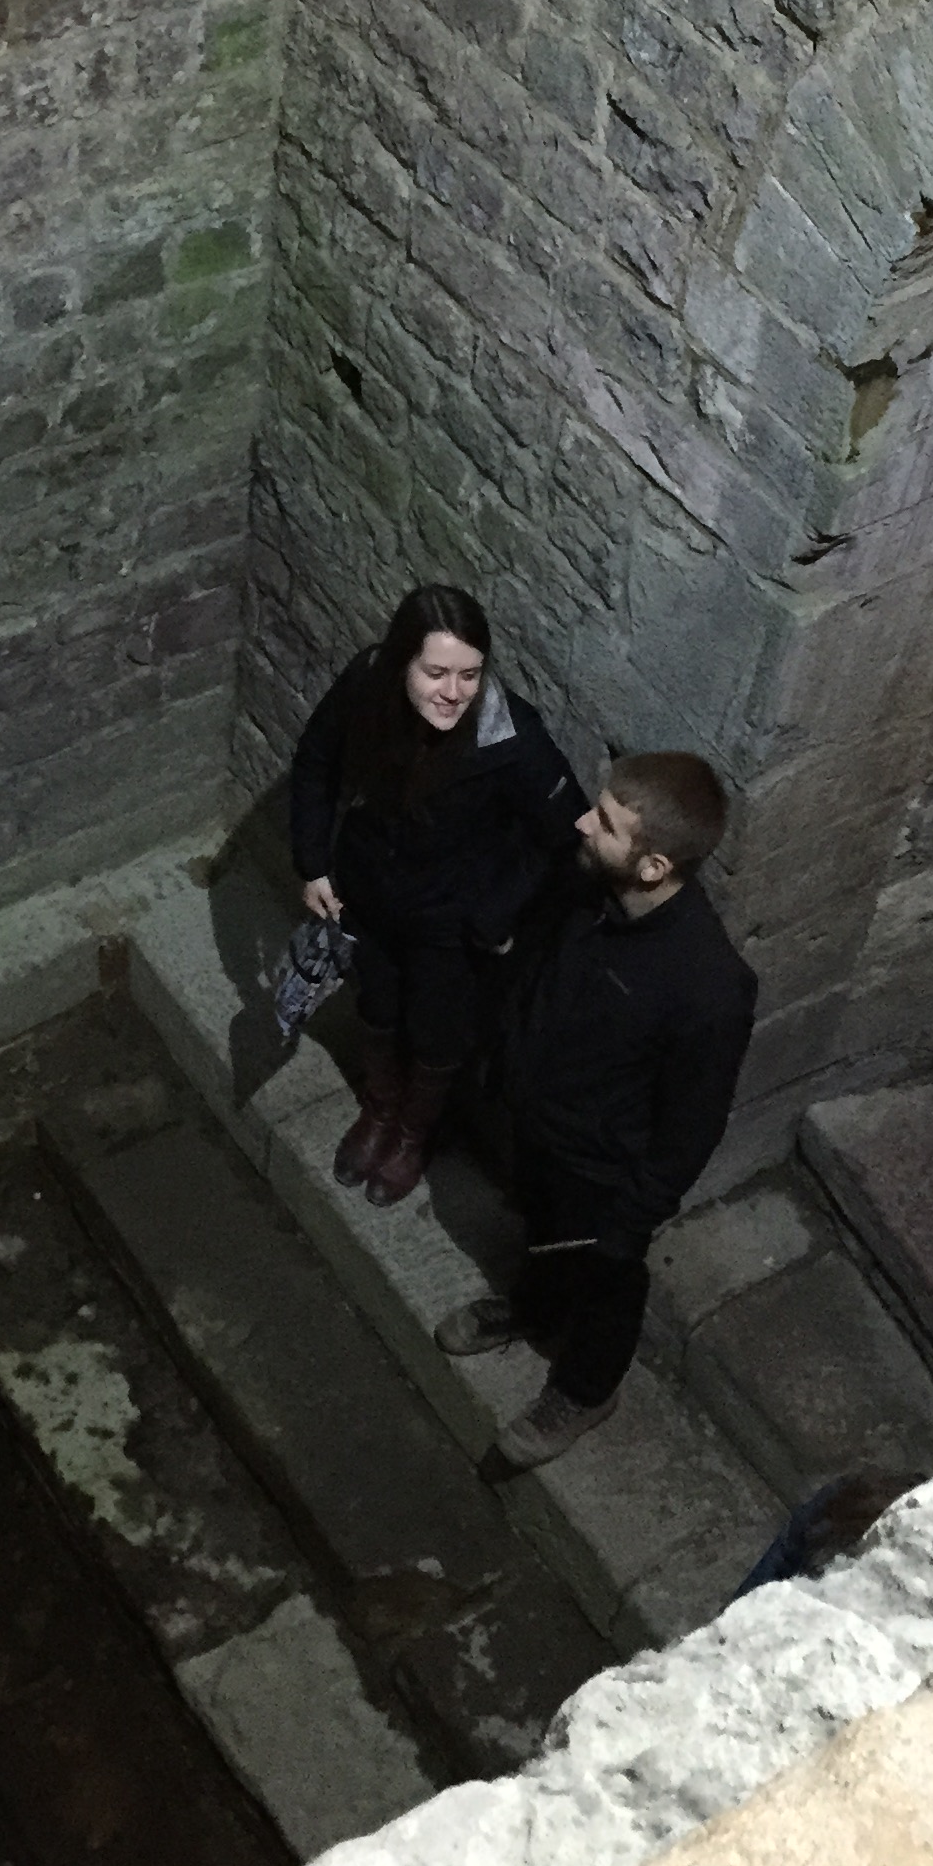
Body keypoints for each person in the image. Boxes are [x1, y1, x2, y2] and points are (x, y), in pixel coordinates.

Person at [438, 752, 758, 1470]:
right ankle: (535, 1310)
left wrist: (631, 1218)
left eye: (607, 823)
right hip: (542, 1127)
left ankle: (586, 1390)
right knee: (542, 1234)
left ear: (654, 867)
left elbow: (693, 1121)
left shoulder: (708, 986)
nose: (584, 822)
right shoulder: (589, 886)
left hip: (601, 1167)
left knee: (607, 1280)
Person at [288, 585, 583, 1207]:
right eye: (436, 673)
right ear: (403, 663)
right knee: (378, 1003)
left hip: (449, 918)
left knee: (436, 1031)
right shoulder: (369, 684)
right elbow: (317, 758)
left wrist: (495, 912)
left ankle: (411, 1135)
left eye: (469, 675)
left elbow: (563, 834)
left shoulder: (511, 737)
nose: (453, 692)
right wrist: (313, 863)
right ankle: (380, 1110)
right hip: (369, 890)